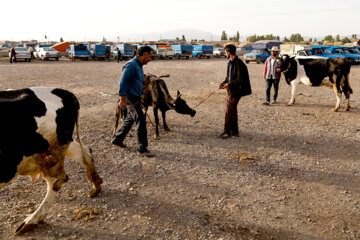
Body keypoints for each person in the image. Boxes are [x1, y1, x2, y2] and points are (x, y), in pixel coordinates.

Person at [111, 46, 154, 156]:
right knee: (140, 118)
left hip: (136, 97)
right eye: (150, 56)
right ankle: (142, 148)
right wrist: (122, 99)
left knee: (131, 118)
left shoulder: (138, 65)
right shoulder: (131, 65)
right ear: (144, 54)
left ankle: (118, 138)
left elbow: (134, 79)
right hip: (131, 97)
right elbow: (123, 82)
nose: (150, 59)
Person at [218, 44, 251, 139]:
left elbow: (241, 80)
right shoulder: (230, 63)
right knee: (233, 111)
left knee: (229, 111)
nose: (225, 54)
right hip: (231, 89)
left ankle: (227, 132)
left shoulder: (239, 64)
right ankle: (235, 132)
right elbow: (228, 78)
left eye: (225, 52)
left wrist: (230, 84)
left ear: (229, 52)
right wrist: (223, 83)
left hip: (237, 91)